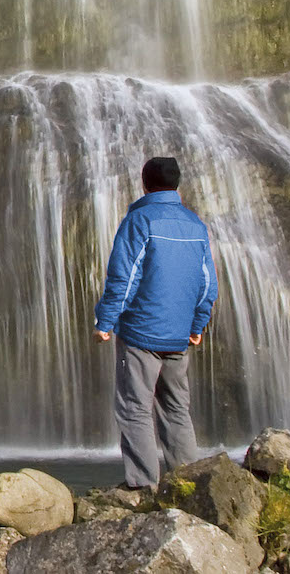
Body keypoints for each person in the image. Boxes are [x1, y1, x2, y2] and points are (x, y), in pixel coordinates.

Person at [93, 154, 217, 489]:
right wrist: (196, 326)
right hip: (178, 337)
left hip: (141, 334)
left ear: (145, 184)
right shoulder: (195, 225)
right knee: (176, 410)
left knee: (134, 408)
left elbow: (125, 276)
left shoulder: (140, 221)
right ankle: (189, 484)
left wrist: (106, 320)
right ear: (177, 184)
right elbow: (207, 284)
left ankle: (143, 485)